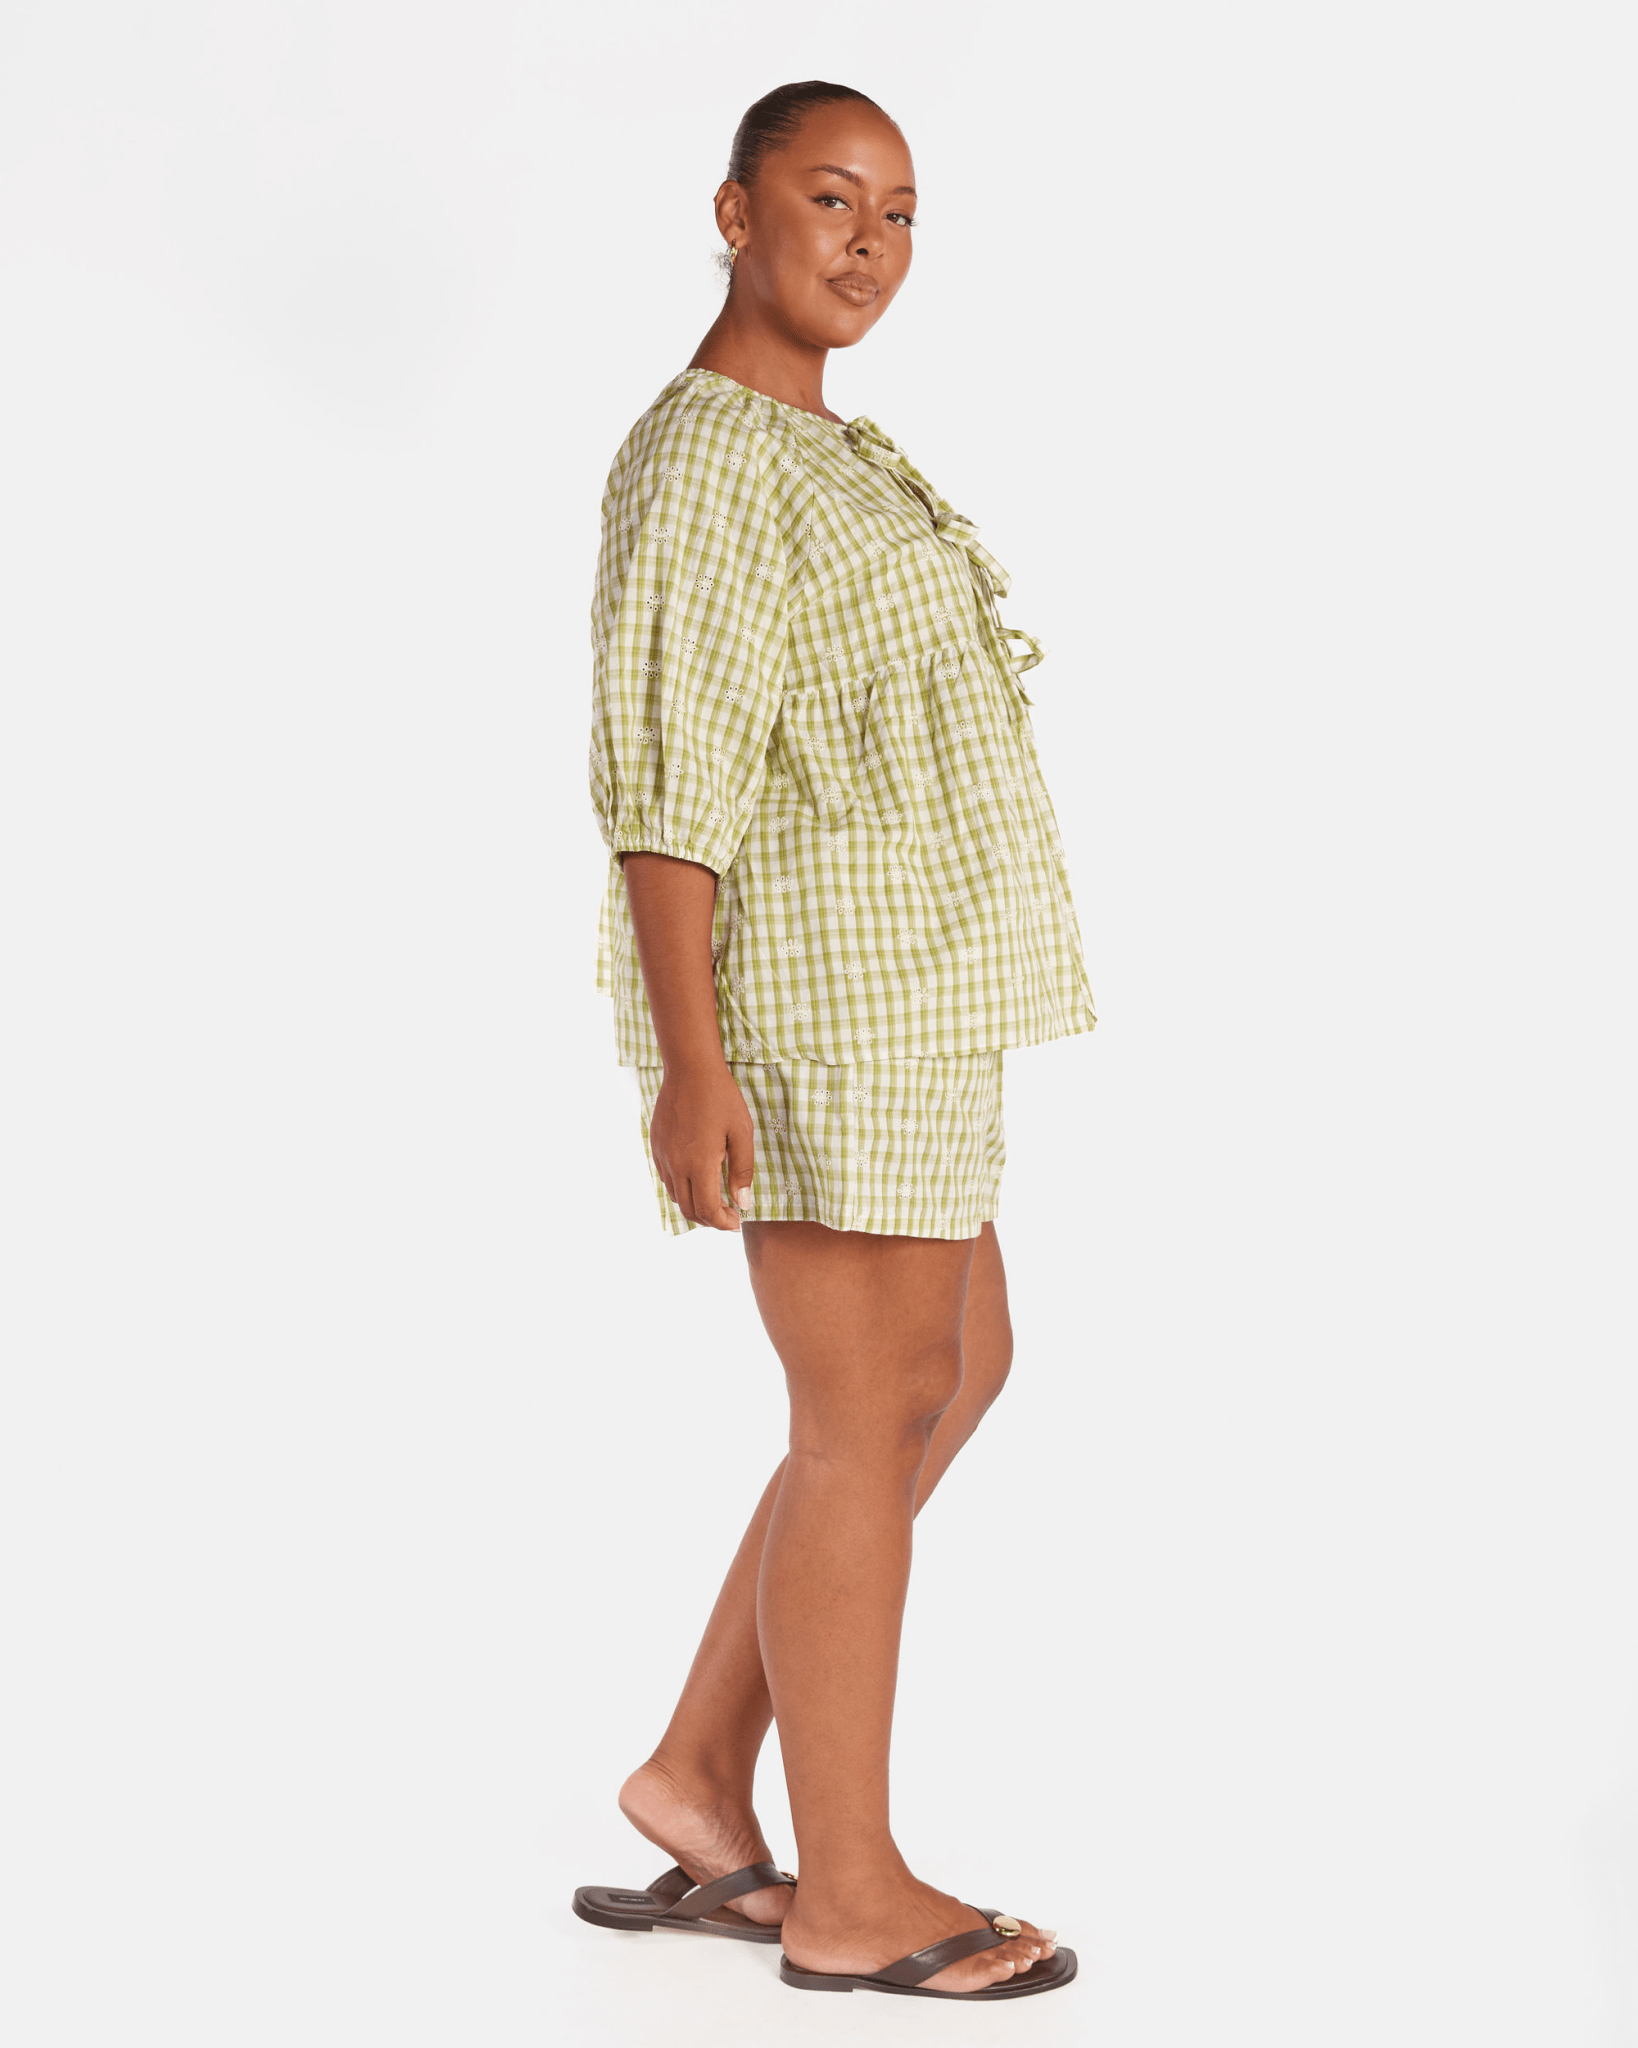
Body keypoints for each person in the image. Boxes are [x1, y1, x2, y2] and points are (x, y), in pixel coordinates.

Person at [574, 81, 1094, 2002]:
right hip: (815, 1011)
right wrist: (690, 1061)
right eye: (827, 199)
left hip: (912, 997)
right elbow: (665, 781)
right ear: (734, 214)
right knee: (860, 1416)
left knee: (951, 1368)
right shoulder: (706, 458)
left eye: (898, 212)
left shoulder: (824, 449)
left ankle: (699, 1772)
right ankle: (852, 1893)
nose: (868, 244)